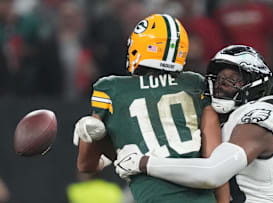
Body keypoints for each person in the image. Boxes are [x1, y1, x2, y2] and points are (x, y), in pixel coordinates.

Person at [73, 14, 229, 203]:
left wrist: (88, 135)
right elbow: (217, 166)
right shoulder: (195, 84)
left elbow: (86, 165)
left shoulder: (112, 90)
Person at [114, 45, 273, 203]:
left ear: (254, 84)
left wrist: (144, 163)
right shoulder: (213, 117)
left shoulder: (255, 118)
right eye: (218, 79)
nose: (219, 85)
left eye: (231, 80)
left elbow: (213, 173)